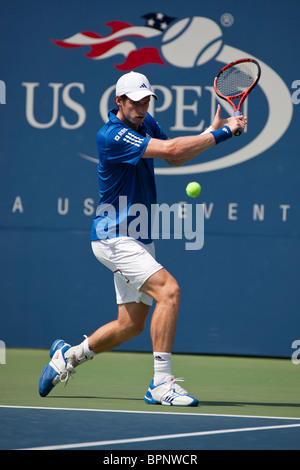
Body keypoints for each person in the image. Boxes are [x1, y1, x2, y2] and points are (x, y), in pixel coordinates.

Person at [39, 71, 247, 406]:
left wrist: (210, 133)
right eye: (134, 102)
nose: (141, 107)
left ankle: (68, 356)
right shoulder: (112, 135)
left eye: (145, 101)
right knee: (170, 291)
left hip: (138, 236)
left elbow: (175, 157)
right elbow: (173, 147)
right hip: (114, 236)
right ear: (119, 101)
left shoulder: (146, 123)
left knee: (131, 324)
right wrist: (223, 133)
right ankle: (161, 384)